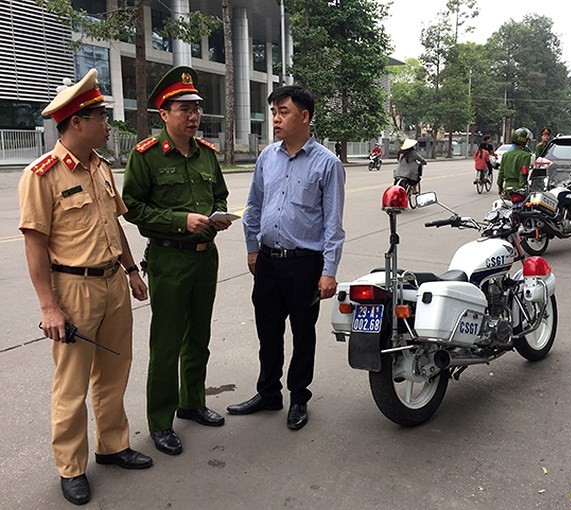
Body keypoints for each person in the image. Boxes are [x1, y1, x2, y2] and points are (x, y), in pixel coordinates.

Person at [17, 69, 152, 506]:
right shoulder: (42, 176)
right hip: (73, 289)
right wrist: (48, 307)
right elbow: (35, 245)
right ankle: (71, 467)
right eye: (100, 116)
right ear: (77, 121)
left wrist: (132, 270)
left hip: (113, 282)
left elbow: (113, 223)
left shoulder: (100, 167)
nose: (107, 125)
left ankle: (112, 445)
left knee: (115, 372)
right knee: (71, 384)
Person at [122, 66, 232, 455]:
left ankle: (193, 402)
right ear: (163, 114)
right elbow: (131, 207)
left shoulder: (206, 155)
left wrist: (218, 215)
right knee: (166, 343)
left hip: (206, 257)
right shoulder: (147, 157)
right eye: (183, 108)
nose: (193, 116)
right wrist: (178, 221)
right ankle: (161, 420)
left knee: (197, 337)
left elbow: (220, 193)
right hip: (169, 260)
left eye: (196, 108)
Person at [227, 85, 345, 431]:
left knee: (303, 333)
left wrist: (329, 271)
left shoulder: (327, 164)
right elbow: (254, 207)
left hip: (304, 264)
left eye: (283, 111)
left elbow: (333, 224)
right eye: (274, 112)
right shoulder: (267, 157)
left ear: (304, 116)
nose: (275, 119)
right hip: (268, 261)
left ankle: (298, 397)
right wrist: (252, 248)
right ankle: (268, 393)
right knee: (268, 331)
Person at [497, 127, 533, 195]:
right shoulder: (526, 156)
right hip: (518, 189)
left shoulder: (505, 155)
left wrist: (500, 187)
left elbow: (501, 173)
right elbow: (523, 174)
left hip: (506, 189)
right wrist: (522, 189)